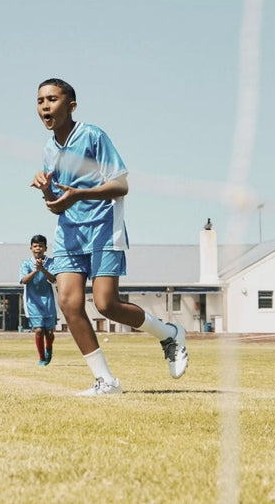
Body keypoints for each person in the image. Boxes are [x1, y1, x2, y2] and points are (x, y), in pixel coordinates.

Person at [31, 78, 188, 395]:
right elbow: (56, 207)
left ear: (71, 106)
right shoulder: (49, 150)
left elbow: (121, 185)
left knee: (106, 304)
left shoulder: (92, 136)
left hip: (104, 226)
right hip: (69, 234)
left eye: (52, 99)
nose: (45, 106)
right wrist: (48, 191)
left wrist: (79, 196)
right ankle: (106, 381)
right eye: (40, 101)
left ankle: (169, 333)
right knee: (69, 303)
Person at [20, 234, 57, 365]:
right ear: (31, 248)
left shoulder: (51, 262)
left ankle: (49, 348)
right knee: (39, 330)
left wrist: (43, 269)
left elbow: (53, 279)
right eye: (35, 246)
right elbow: (24, 280)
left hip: (49, 301)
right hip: (33, 302)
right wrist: (36, 270)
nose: (38, 248)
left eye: (40, 246)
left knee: (49, 333)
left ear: (45, 248)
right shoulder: (26, 263)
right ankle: (42, 358)